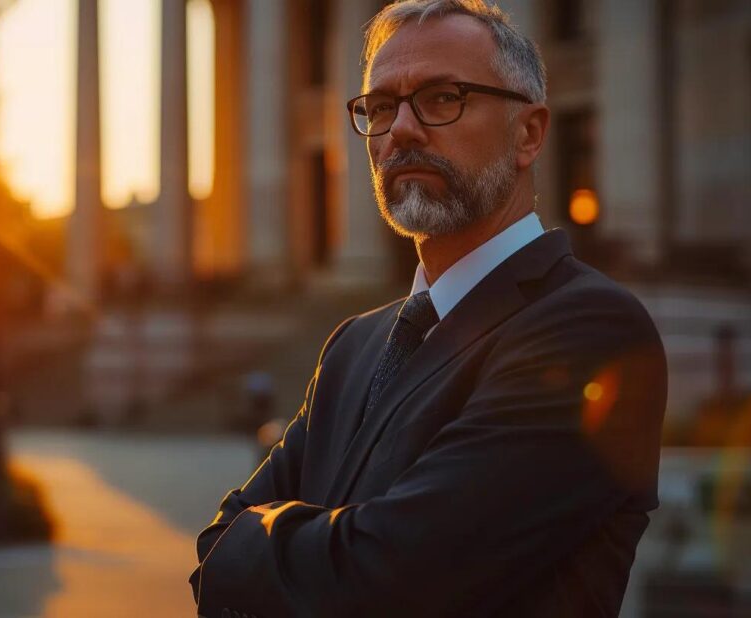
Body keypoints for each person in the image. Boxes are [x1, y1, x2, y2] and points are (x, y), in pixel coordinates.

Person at [189, 1, 667, 616]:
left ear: (528, 133)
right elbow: (214, 547)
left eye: (442, 98)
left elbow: (389, 581)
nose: (401, 130)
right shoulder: (353, 345)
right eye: (380, 107)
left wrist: (252, 555)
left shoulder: (589, 330)